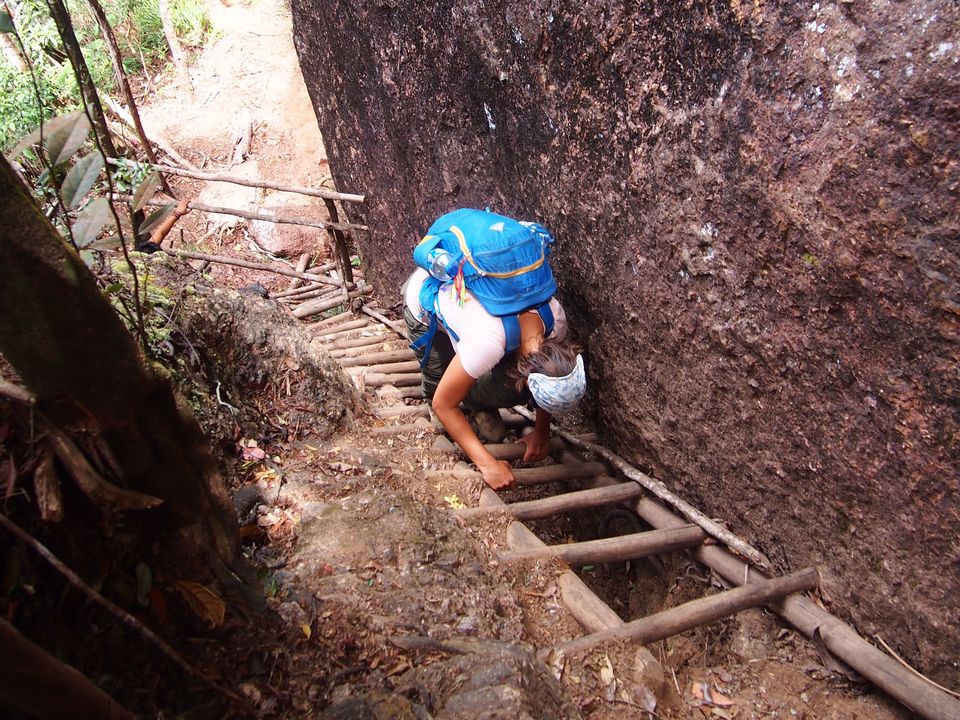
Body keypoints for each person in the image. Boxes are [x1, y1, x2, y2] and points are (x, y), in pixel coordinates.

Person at [402, 259, 586, 490]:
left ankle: (476, 400)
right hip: (425, 298)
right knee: (439, 389)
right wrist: (487, 464)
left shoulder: (555, 321)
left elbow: (549, 377)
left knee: (499, 383)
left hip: (474, 310)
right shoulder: (487, 341)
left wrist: (541, 432)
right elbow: (443, 404)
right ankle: (470, 400)